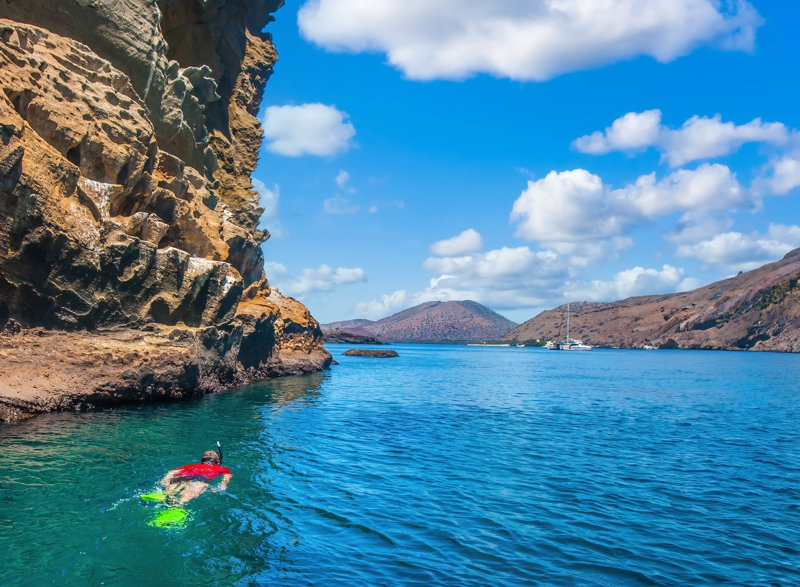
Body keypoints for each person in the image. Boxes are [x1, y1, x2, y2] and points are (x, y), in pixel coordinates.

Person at [159, 449, 232, 505]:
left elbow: (173, 471)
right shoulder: (221, 468)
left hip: (182, 477)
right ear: (218, 462)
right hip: (200, 480)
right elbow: (227, 477)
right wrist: (222, 485)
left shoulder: (191, 466)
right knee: (187, 495)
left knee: (172, 489)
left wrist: (166, 479)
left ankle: (163, 495)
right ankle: (179, 505)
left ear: (202, 461)